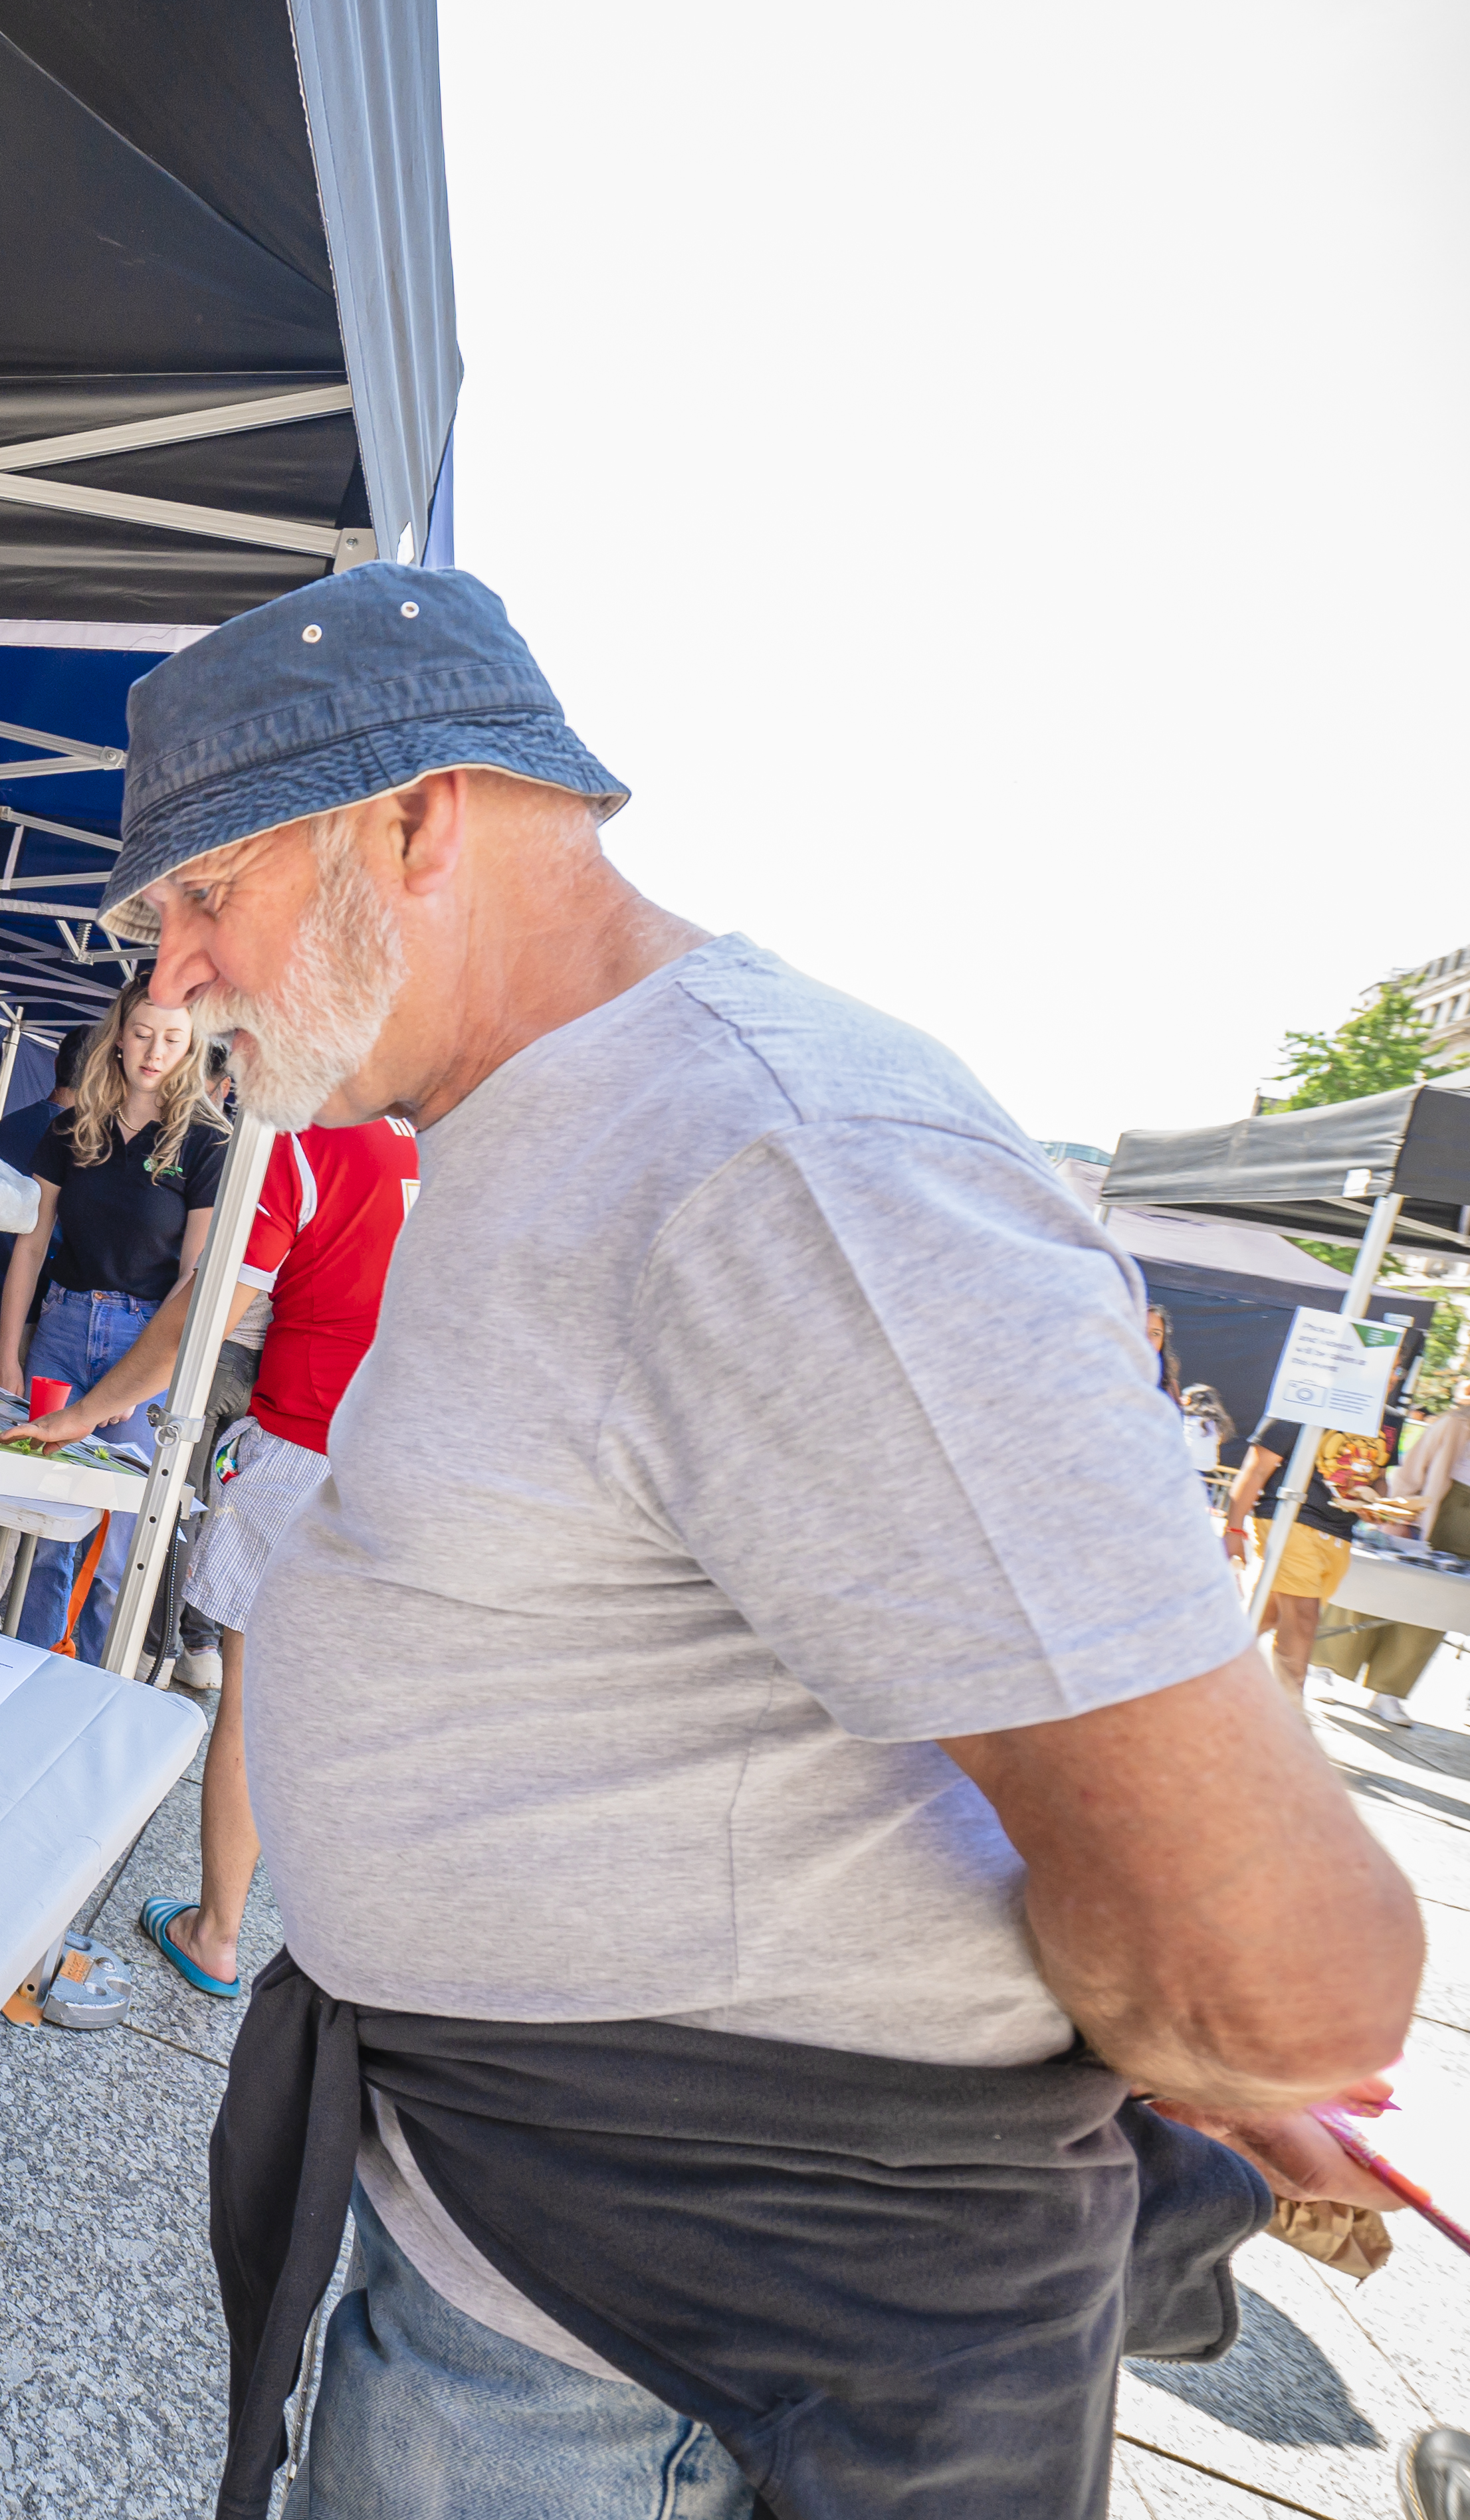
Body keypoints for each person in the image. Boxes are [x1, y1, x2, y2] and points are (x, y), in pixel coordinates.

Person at [70, 565, 1417, 2520]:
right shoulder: (559, 1123)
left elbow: (1281, 1964)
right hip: (571, 2308)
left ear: (415, 816)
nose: (170, 973)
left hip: (660, 2368)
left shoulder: (778, 1160)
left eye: (200, 893)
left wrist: (1177, 2034)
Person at [14, 1108, 419, 1990]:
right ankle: (362, 1968)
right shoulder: (462, 1135)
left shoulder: (307, 1146)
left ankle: (218, 1934)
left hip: (308, 1452)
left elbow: (207, 1310)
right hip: (430, 1467)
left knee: (255, 1699)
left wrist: (89, 1408)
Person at [0, 979, 224, 1652]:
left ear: (190, 1047)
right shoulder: (70, 1126)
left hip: (143, 1339)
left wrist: (138, 1379)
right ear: (119, 1033)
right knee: (44, 1533)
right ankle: (18, 1673)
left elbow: (193, 1280)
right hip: (59, 1332)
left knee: (116, 1551)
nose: (154, 1050)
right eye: (143, 1032)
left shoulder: (205, 1143)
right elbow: (29, 1247)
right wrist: (9, 1352)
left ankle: (87, 1683)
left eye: (172, 1039)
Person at [1325, 1395, 1467, 1727]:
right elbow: (1412, 1469)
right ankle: (1325, 1666)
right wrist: (1397, 1513)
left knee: (1438, 1608)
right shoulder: (1456, 1422)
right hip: (1431, 1513)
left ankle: (1389, 1692)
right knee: (1377, 1588)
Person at [1227, 1408, 1366, 1698]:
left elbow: (1376, 1473)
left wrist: (1381, 1502)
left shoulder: (1386, 1416)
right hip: (1287, 1518)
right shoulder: (1305, 1401)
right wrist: (1234, 1530)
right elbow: (1257, 1468)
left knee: (1270, 1615)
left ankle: (1203, 1671)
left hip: (1340, 1532)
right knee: (1303, 1619)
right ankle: (1290, 1714)